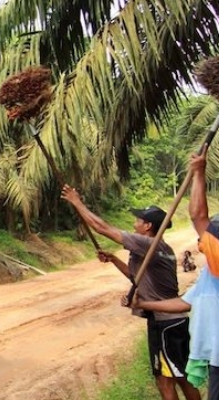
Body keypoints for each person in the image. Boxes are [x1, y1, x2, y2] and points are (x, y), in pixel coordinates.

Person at [60, 185, 200, 400]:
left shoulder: (148, 243)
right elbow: (137, 279)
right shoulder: (160, 248)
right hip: (173, 321)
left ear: (148, 226)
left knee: (165, 380)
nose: (134, 223)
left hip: (165, 323)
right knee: (181, 377)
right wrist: (115, 259)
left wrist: (76, 202)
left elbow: (102, 228)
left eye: (138, 220)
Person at [135, 150, 219, 400]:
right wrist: (143, 304)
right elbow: (183, 303)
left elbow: (197, 216)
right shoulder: (209, 275)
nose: (202, 238)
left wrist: (199, 173)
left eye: (211, 235)